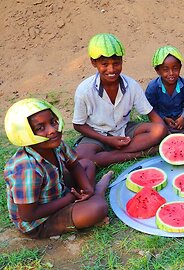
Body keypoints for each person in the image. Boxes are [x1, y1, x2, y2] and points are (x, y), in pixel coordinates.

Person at [3, 98, 113, 238]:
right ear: (24, 135)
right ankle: (98, 193)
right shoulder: (26, 170)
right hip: (40, 222)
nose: (53, 130)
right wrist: (69, 199)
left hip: (57, 191)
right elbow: (28, 215)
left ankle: (89, 195)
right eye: (40, 128)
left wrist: (87, 188)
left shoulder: (56, 144)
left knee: (87, 164)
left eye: (53, 122)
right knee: (98, 208)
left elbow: (74, 165)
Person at [73, 33, 168, 167]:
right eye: (104, 64)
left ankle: (108, 156)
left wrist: (163, 132)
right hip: (97, 135)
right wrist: (107, 140)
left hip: (123, 131)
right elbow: (78, 125)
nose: (111, 69)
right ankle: (137, 154)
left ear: (122, 61)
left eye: (116, 63)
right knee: (82, 156)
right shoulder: (84, 90)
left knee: (159, 130)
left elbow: (151, 114)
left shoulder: (132, 85)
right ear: (94, 62)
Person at [145, 46, 184, 136]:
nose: (171, 73)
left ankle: (170, 132)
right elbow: (151, 109)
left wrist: (183, 117)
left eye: (175, 68)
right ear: (158, 70)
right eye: (166, 70)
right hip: (163, 119)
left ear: (180, 67)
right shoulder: (153, 87)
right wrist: (164, 118)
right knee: (158, 125)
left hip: (181, 117)